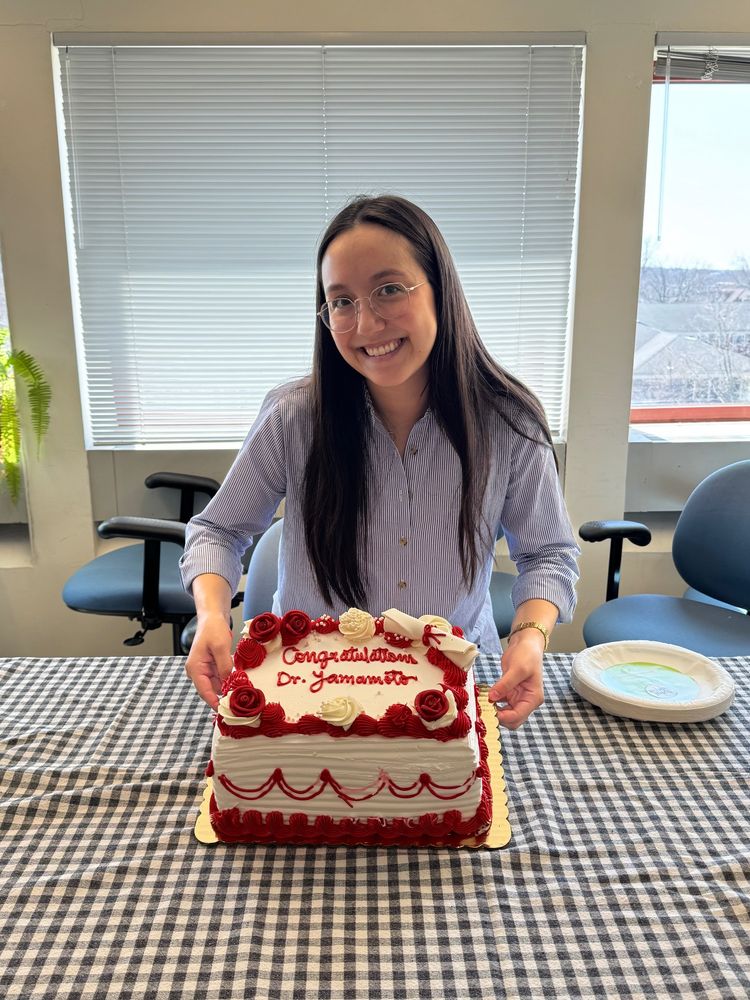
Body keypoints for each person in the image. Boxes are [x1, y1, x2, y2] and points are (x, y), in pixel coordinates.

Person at [180, 194, 579, 729]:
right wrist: (212, 615)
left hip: (451, 691)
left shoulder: (509, 421)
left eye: (389, 289)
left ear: (440, 288)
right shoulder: (293, 417)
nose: (366, 323)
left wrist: (530, 638)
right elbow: (218, 531)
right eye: (341, 301)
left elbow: (548, 555)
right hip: (311, 691)